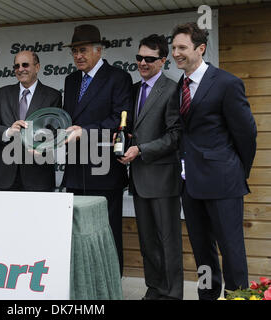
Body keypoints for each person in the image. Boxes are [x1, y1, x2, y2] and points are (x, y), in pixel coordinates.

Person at [172, 22, 257, 300]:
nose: (176, 53)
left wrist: (234, 171)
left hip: (223, 183)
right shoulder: (180, 86)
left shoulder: (227, 83)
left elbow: (246, 135)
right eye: (174, 48)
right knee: (202, 251)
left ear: (201, 48)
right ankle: (208, 296)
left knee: (231, 250)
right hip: (191, 185)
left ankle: (238, 297)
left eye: (182, 47)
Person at [63, 24, 132, 275]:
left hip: (104, 171)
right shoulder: (70, 80)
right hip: (74, 170)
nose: (78, 56)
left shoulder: (118, 78)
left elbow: (120, 119)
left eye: (83, 50)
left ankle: (111, 283)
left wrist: (86, 131)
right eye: (74, 52)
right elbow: (67, 120)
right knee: (77, 234)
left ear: (98, 50)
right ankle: (84, 284)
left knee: (108, 232)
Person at [118, 34, 183, 300]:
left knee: (168, 242)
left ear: (163, 60)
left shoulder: (172, 89)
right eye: (139, 57)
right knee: (148, 243)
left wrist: (141, 150)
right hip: (139, 178)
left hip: (163, 178)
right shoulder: (134, 89)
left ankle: (172, 294)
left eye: (149, 59)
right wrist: (124, 142)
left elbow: (175, 135)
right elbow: (133, 130)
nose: (143, 63)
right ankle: (154, 289)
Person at [0, 51, 62, 191]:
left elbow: (56, 132)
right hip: (5, 176)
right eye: (16, 66)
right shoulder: (1, 94)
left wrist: (41, 142)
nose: (20, 69)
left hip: (38, 175)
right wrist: (9, 131)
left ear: (37, 67)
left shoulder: (53, 96)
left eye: (25, 65)